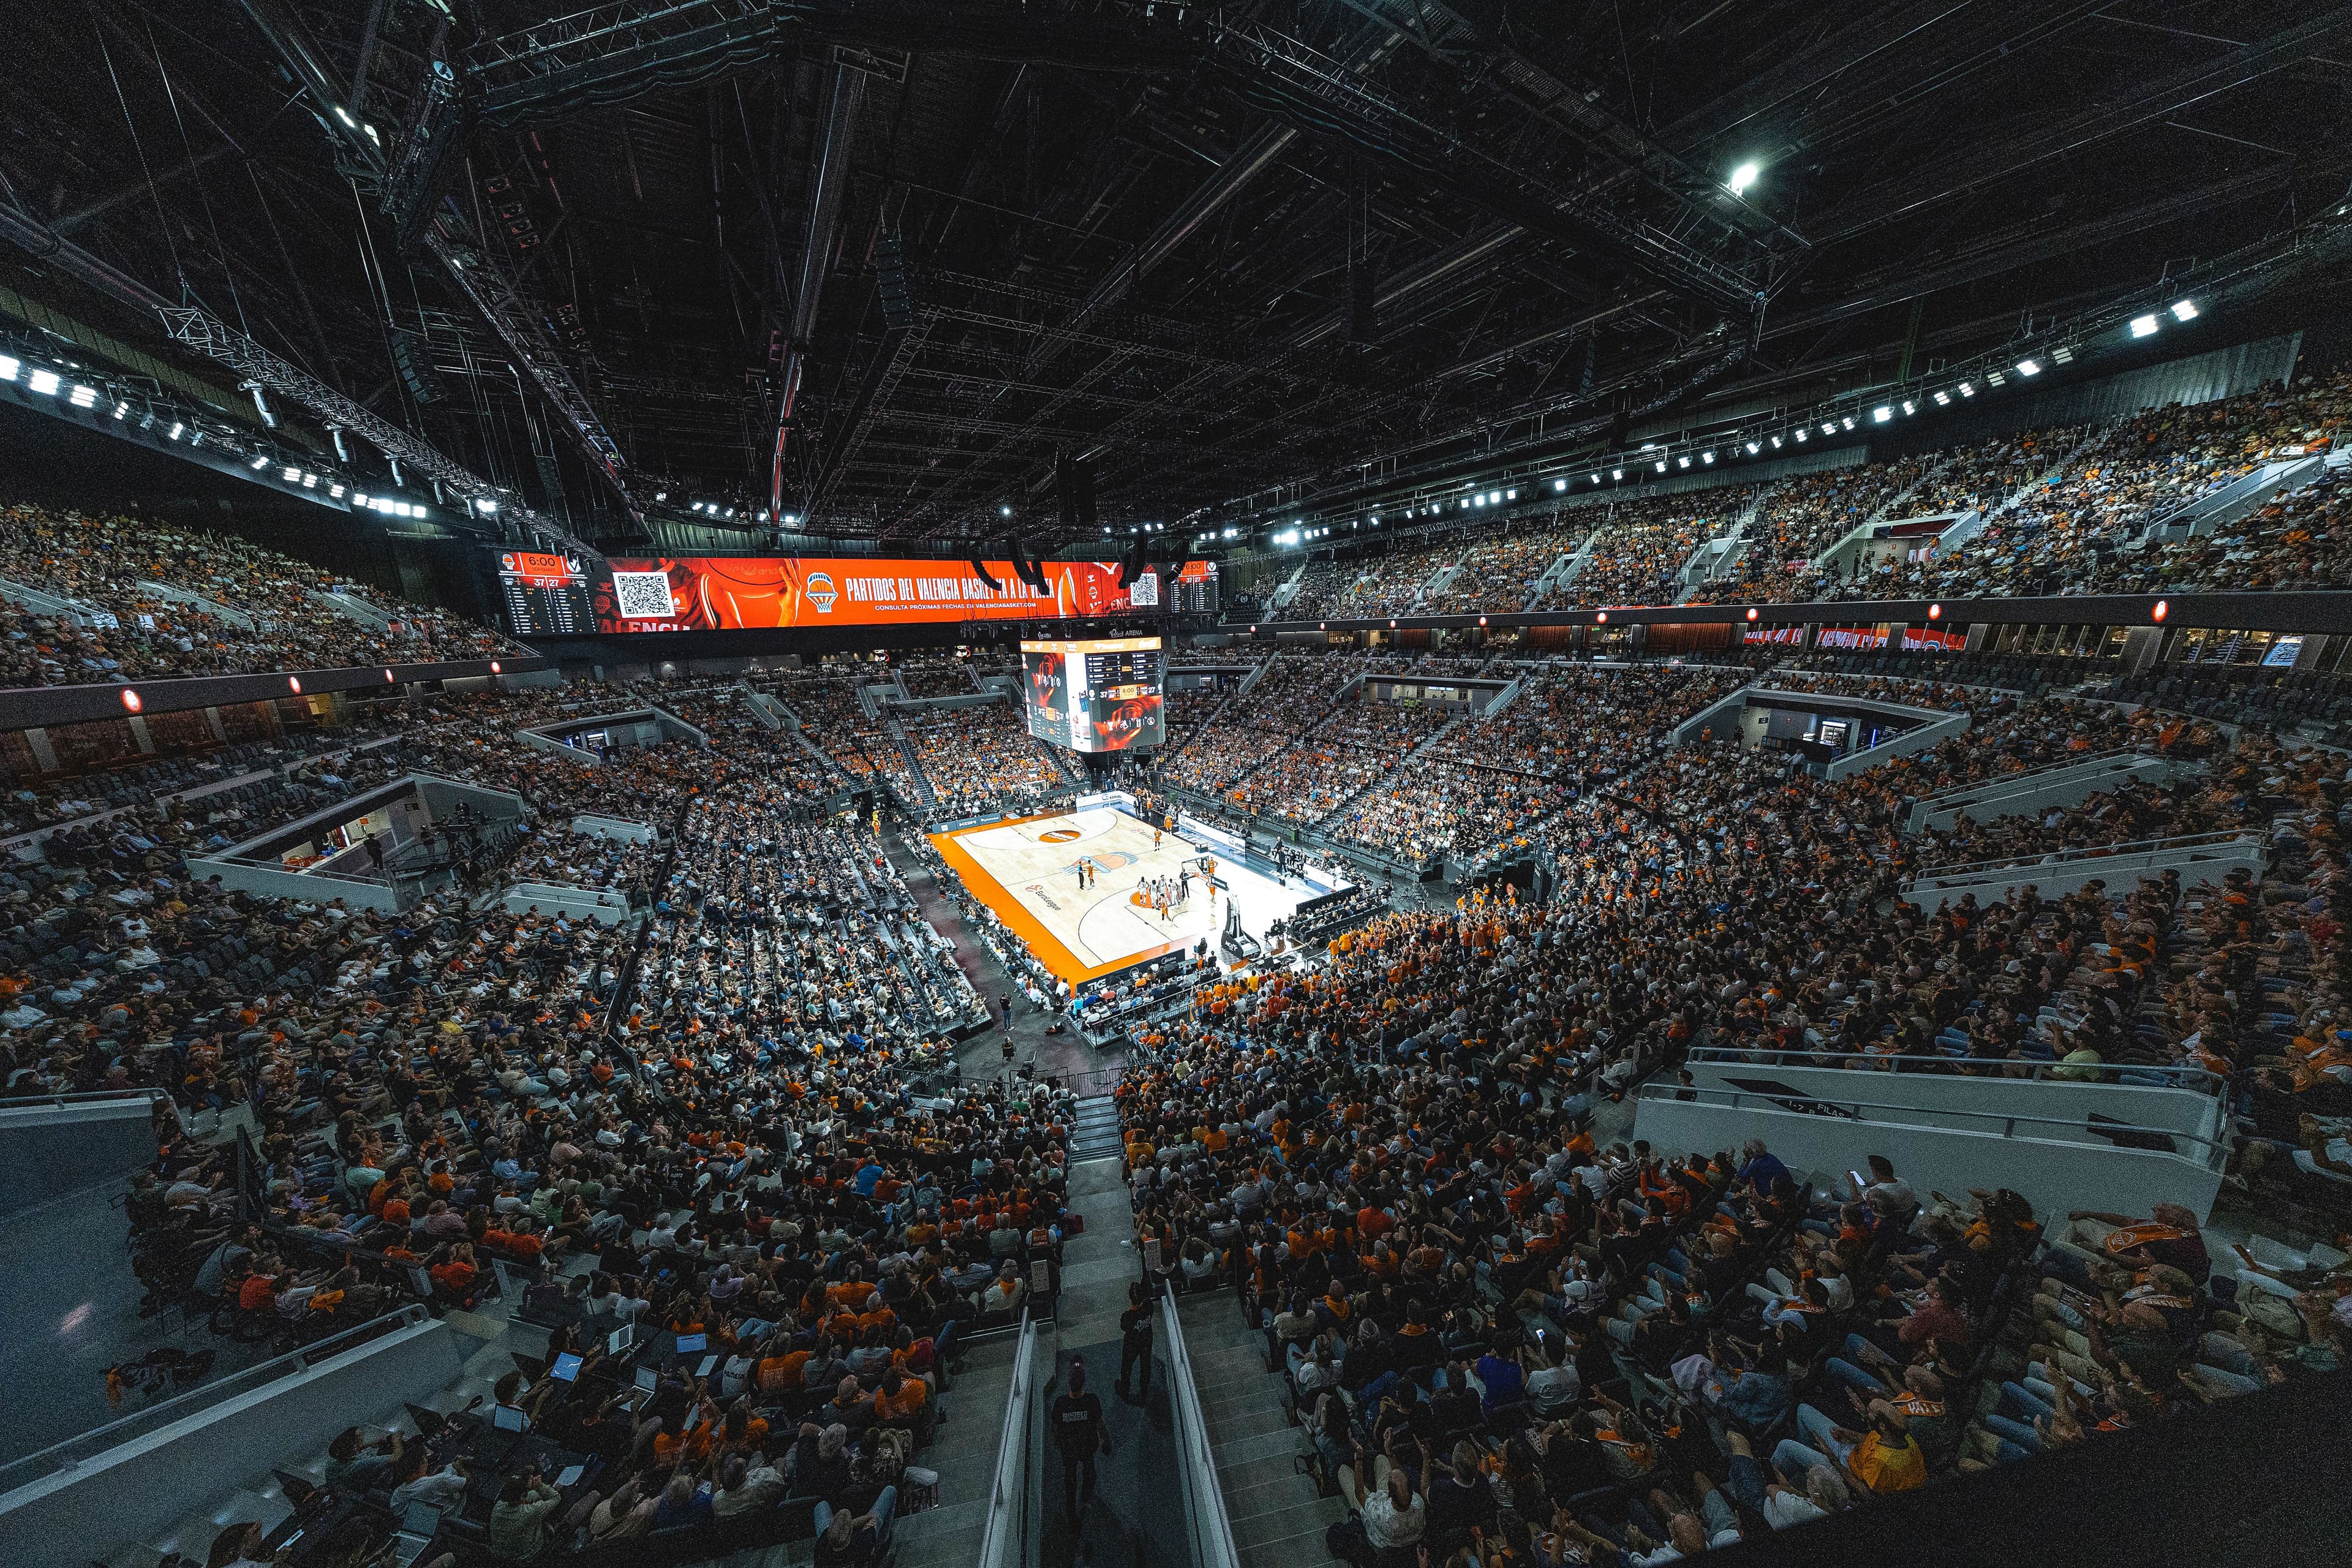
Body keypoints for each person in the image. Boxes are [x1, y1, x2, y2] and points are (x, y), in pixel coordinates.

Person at [1050, 1355, 1111, 1521]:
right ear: (1084, 1381)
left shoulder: (1060, 1403)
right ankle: (1085, 1497)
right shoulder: (1092, 1401)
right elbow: (1100, 1425)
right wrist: (1106, 1442)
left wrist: (1056, 1441)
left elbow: (1055, 1428)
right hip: (1087, 1447)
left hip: (1068, 1449)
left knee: (1070, 1477)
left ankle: (1071, 1509)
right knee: (1089, 1471)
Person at [1118, 1280, 1154, 1400]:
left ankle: (1124, 1389)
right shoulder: (1149, 1306)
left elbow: (1124, 1328)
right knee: (1145, 1366)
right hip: (1146, 1340)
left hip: (1131, 1344)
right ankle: (1144, 1391)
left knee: (1127, 1367)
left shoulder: (1127, 1316)